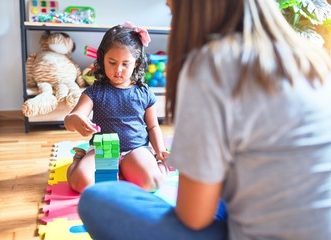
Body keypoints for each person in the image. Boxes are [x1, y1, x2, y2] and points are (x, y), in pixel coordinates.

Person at [77, 0, 331, 239]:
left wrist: (162, 156)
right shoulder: (308, 57)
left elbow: (194, 217)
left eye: (173, 11)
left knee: (97, 198)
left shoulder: (211, 66)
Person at [64, 22, 169, 193]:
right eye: (112, 62)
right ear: (103, 59)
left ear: (136, 63)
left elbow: (153, 126)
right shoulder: (95, 91)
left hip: (135, 149)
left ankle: (160, 165)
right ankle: (78, 159)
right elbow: (70, 120)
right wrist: (75, 120)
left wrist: (160, 151)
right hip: (102, 149)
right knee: (81, 183)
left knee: (152, 183)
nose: (118, 70)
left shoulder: (144, 92)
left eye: (125, 64)